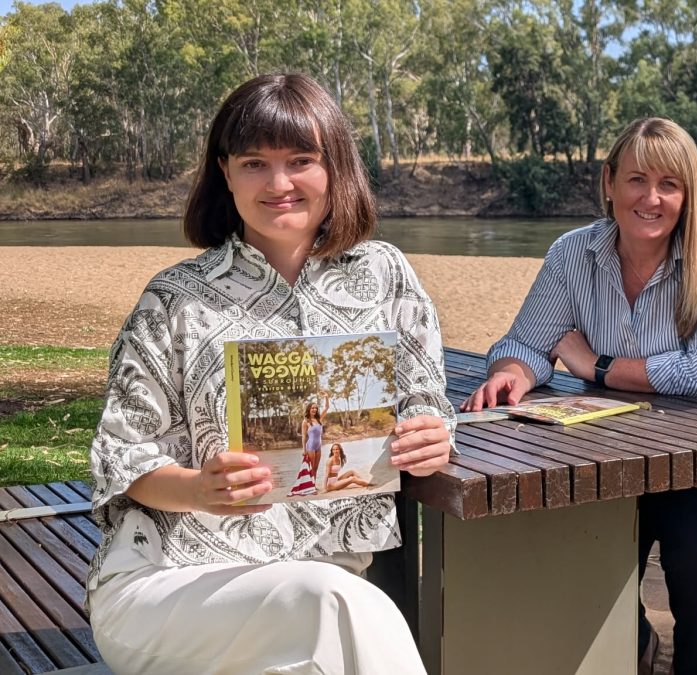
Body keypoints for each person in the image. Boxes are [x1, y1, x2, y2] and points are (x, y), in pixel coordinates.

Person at [87, 73, 455, 675]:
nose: (279, 183)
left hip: (328, 580)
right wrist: (200, 489)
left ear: (336, 168)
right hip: (173, 583)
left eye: (301, 160)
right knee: (339, 607)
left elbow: (426, 402)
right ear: (224, 172)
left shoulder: (385, 276)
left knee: (336, 609)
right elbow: (123, 461)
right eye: (255, 162)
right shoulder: (174, 300)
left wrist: (434, 434)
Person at [461, 117, 697, 675]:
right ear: (608, 181)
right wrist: (513, 372)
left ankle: (694, 666)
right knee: (574, 541)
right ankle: (634, 643)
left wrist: (595, 366)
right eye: (636, 179)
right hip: (617, 451)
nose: (650, 198)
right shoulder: (572, 254)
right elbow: (527, 341)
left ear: (689, 192)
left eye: (668, 184)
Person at [290, 391, 330, 497]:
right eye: (312, 408)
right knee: (311, 468)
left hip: (318, 446)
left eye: (316, 408)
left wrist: (326, 397)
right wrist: (304, 450)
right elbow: (304, 437)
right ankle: (311, 488)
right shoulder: (305, 421)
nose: (314, 409)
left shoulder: (319, 419)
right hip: (310, 446)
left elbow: (326, 408)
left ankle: (313, 485)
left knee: (316, 467)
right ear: (309, 409)